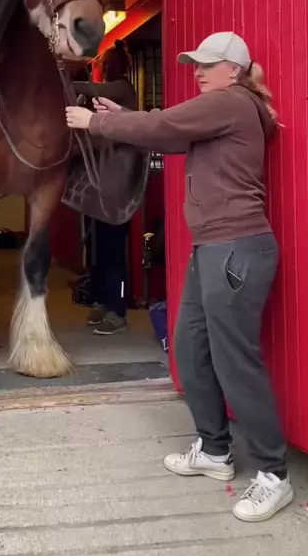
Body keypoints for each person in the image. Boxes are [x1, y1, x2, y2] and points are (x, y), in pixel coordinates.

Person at [66, 31, 292, 523]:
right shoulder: (220, 111)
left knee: (235, 363)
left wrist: (96, 121)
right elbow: (169, 135)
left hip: (235, 248)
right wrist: (119, 116)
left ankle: (274, 474)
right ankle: (214, 450)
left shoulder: (232, 102)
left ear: (234, 70)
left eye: (208, 64)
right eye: (196, 64)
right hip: (212, 249)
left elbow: (166, 123)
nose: (198, 71)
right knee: (189, 349)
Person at [73, 40, 137, 334]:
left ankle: (118, 310)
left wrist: (65, 81)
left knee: (112, 251)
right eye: (105, 64)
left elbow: (94, 89)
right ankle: (100, 300)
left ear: (122, 66)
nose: (108, 68)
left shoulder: (122, 90)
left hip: (118, 189)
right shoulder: (105, 100)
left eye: (111, 63)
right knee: (97, 248)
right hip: (100, 188)